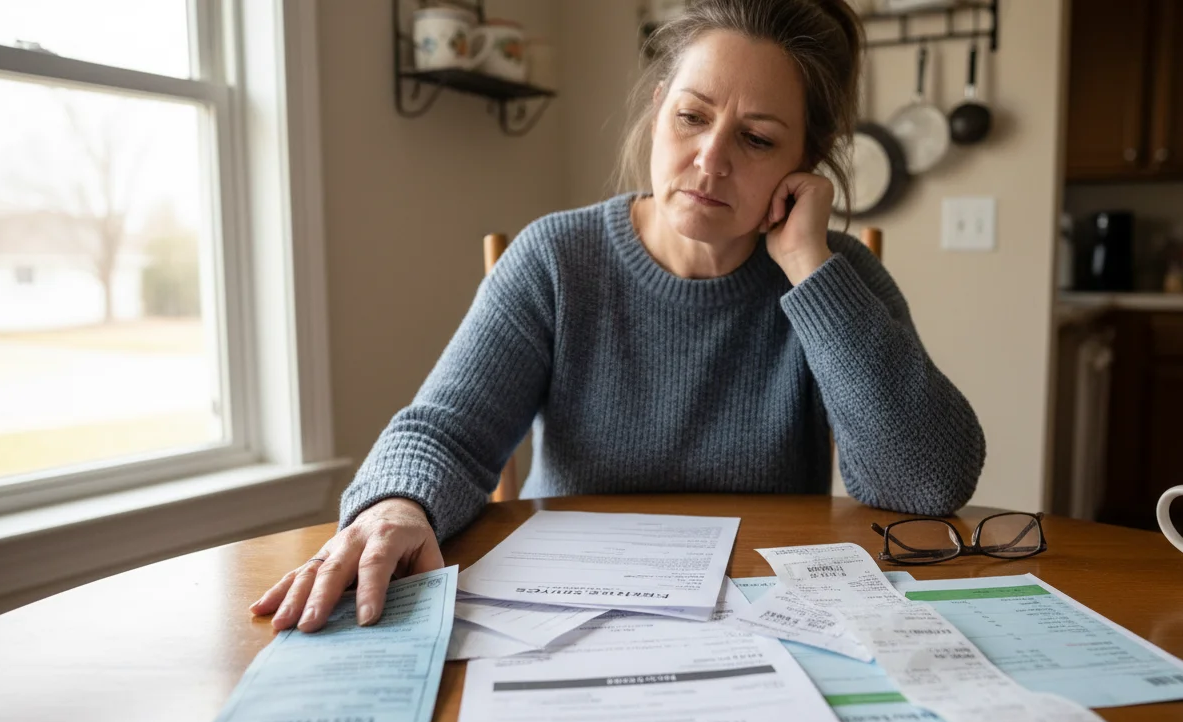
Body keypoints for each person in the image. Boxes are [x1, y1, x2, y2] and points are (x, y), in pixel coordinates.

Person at [251, 0, 986, 634]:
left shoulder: (835, 278)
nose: (708, 161)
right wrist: (398, 507)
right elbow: (445, 430)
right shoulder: (555, 259)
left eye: (756, 138)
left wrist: (809, 268)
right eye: (691, 116)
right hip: (568, 615)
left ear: (807, 163)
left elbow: (926, 483)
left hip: (770, 620)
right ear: (659, 106)